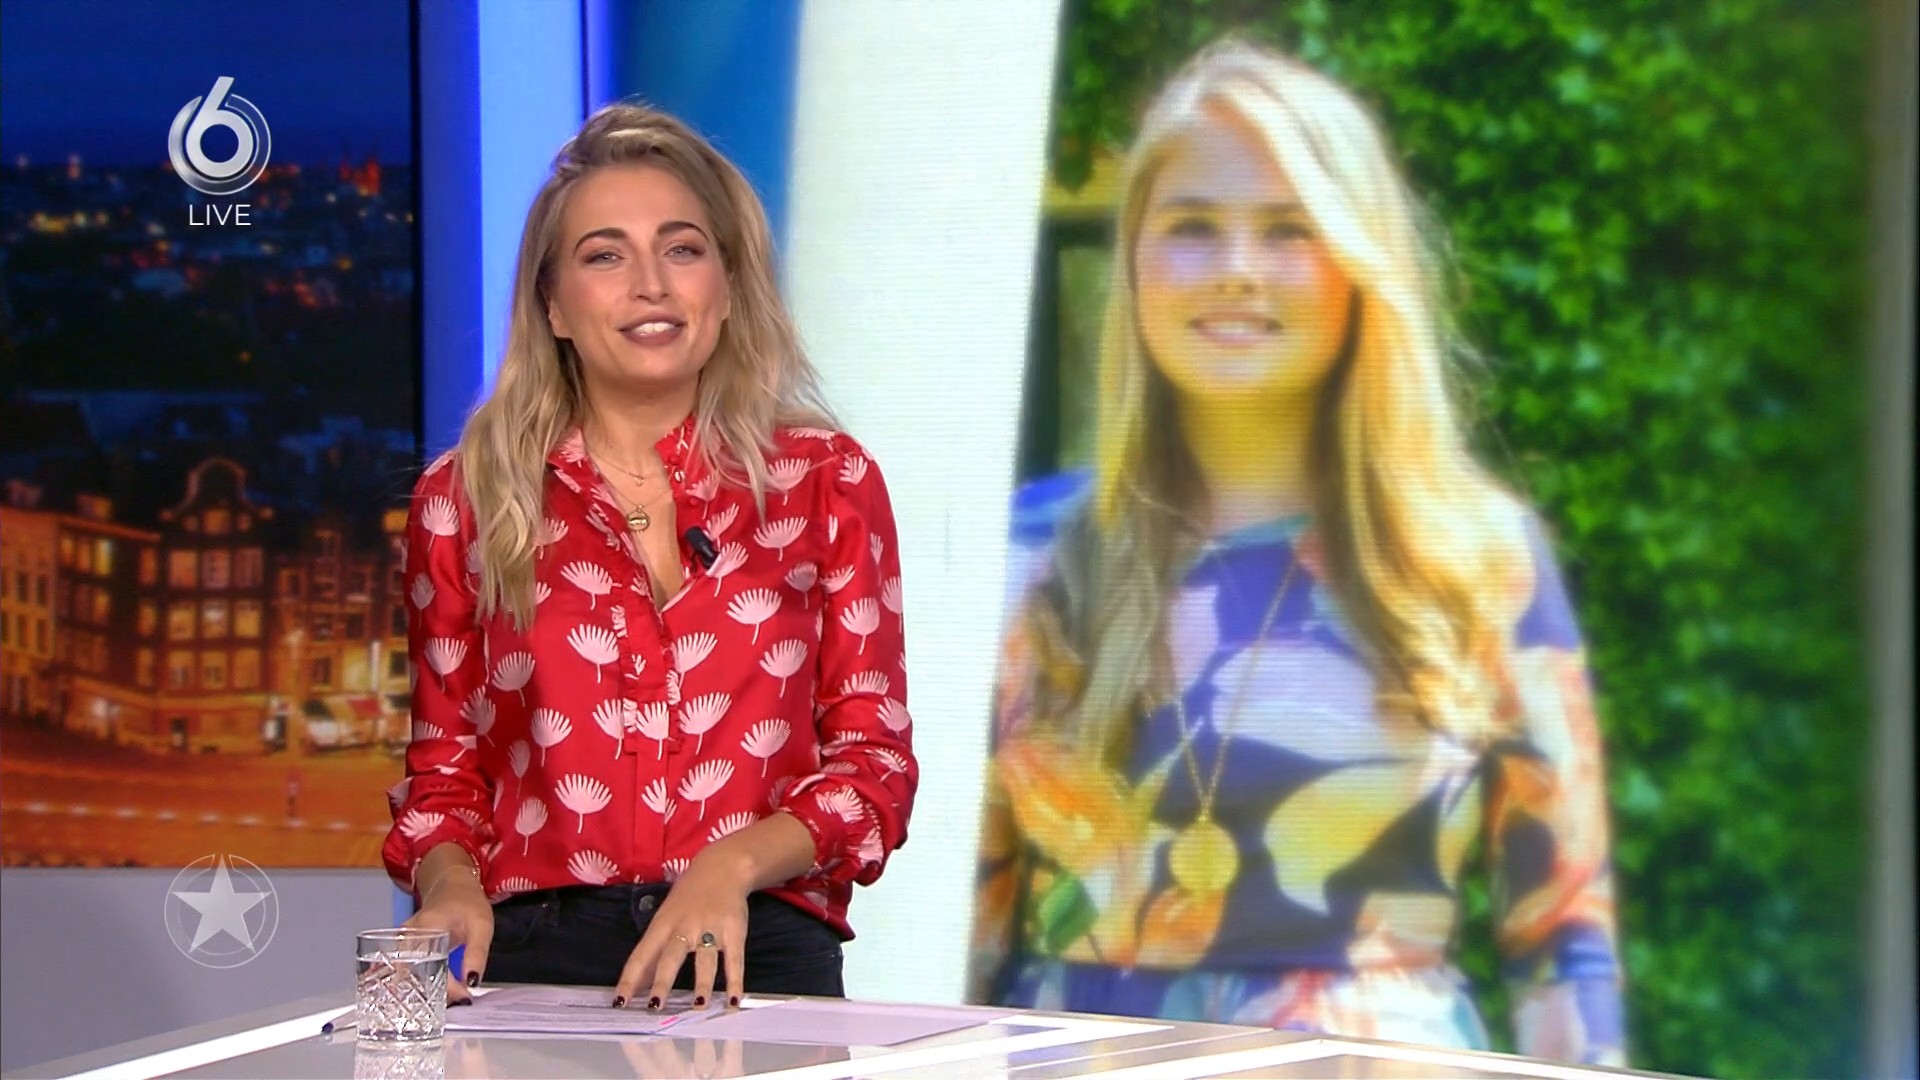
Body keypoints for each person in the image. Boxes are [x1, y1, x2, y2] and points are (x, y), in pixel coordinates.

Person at [968, 39, 1624, 1066]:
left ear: (1361, 264)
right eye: (1193, 227)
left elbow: (1564, 945)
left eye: (1289, 229)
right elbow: (941, 935)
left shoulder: (1476, 556)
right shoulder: (1019, 560)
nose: (1237, 267)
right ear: (1133, 261)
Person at [382, 103, 918, 1012]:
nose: (651, 285)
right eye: (605, 256)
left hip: (754, 942)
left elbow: (874, 766)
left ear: (728, 285)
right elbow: (444, 780)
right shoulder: (466, 499)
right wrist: (451, 887)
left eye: (682, 249)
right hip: (538, 955)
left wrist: (729, 865)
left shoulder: (827, 482)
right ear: (553, 304)